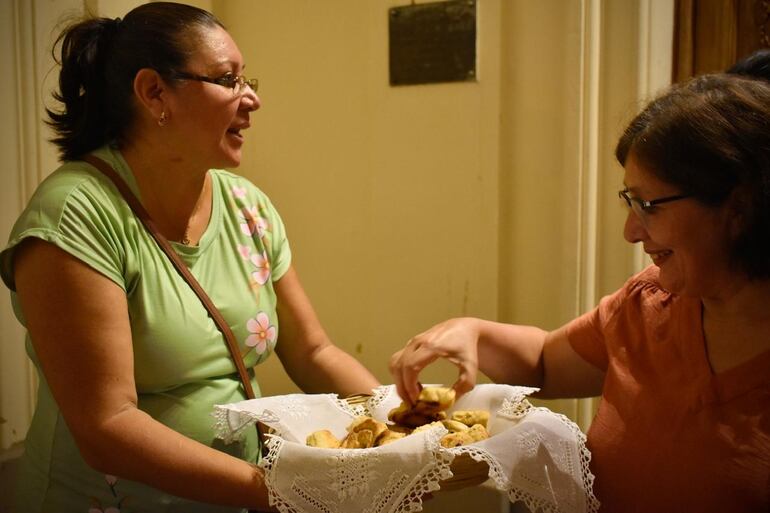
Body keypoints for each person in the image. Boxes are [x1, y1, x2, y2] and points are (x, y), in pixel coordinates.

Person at [0, 3, 379, 512]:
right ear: (154, 92)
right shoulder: (75, 214)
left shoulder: (247, 206)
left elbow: (313, 353)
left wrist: (401, 425)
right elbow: (107, 426)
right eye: (228, 79)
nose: (253, 99)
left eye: (247, 79)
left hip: (234, 496)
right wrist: (279, 491)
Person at [389, 73, 770, 512]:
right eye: (629, 202)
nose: (631, 231)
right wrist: (469, 331)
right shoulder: (646, 303)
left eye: (648, 205)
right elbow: (545, 364)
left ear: (738, 206)